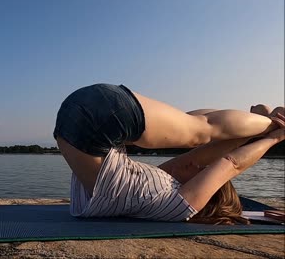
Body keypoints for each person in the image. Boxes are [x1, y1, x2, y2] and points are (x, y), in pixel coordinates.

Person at [53, 83, 284, 223]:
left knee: (200, 127)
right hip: (84, 123)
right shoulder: (158, 194)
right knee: (195, 126)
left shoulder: (178, 204)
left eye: (203, 173)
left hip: (95, 122)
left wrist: (274, 137)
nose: (198, 166)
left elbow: (231, 164)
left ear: (208, 197)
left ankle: (265, 122)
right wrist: (261, 136)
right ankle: (261, 121)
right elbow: (200, 157)